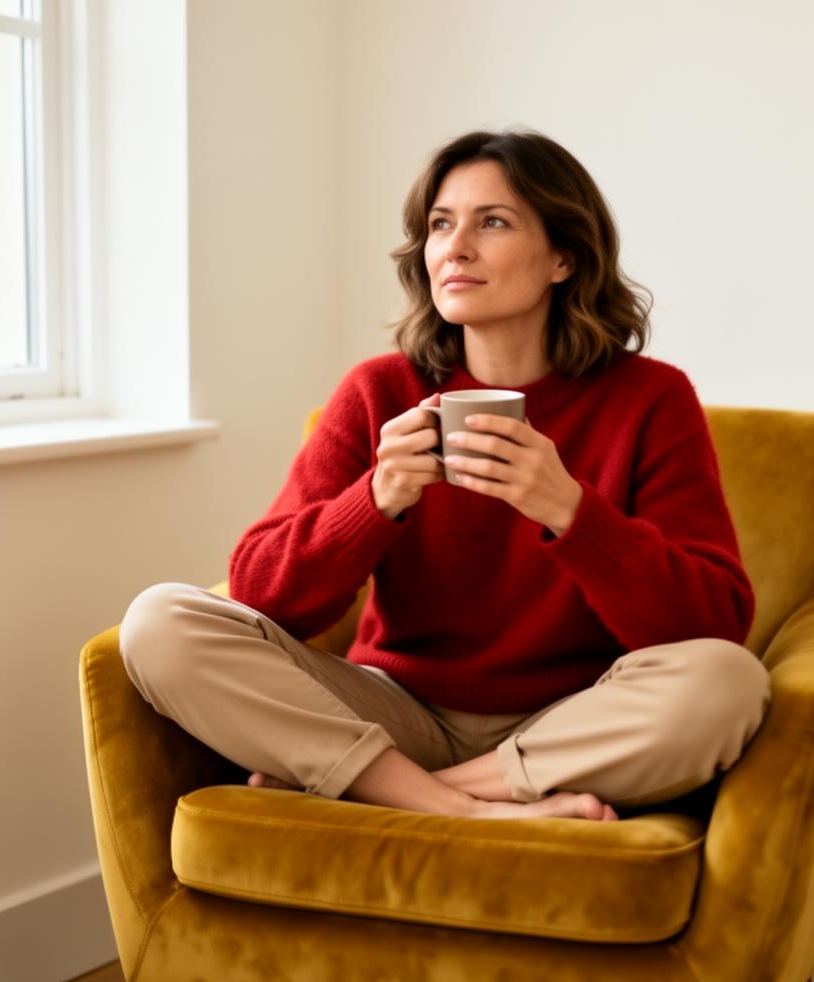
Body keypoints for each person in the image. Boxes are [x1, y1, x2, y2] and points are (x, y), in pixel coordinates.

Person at [120, 129, 770, 823]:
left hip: (572, 722)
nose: (454, 248)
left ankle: (392, 790)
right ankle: (469, 808)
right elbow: (261, 593)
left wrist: (570, 511)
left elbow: (714, 622)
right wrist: (376, 500)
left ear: (564, 257)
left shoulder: (651, 399)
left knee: (730, 683)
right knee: (158, 621)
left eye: (492, 222)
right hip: (393, 713)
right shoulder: (378, 391)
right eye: (439, 225)